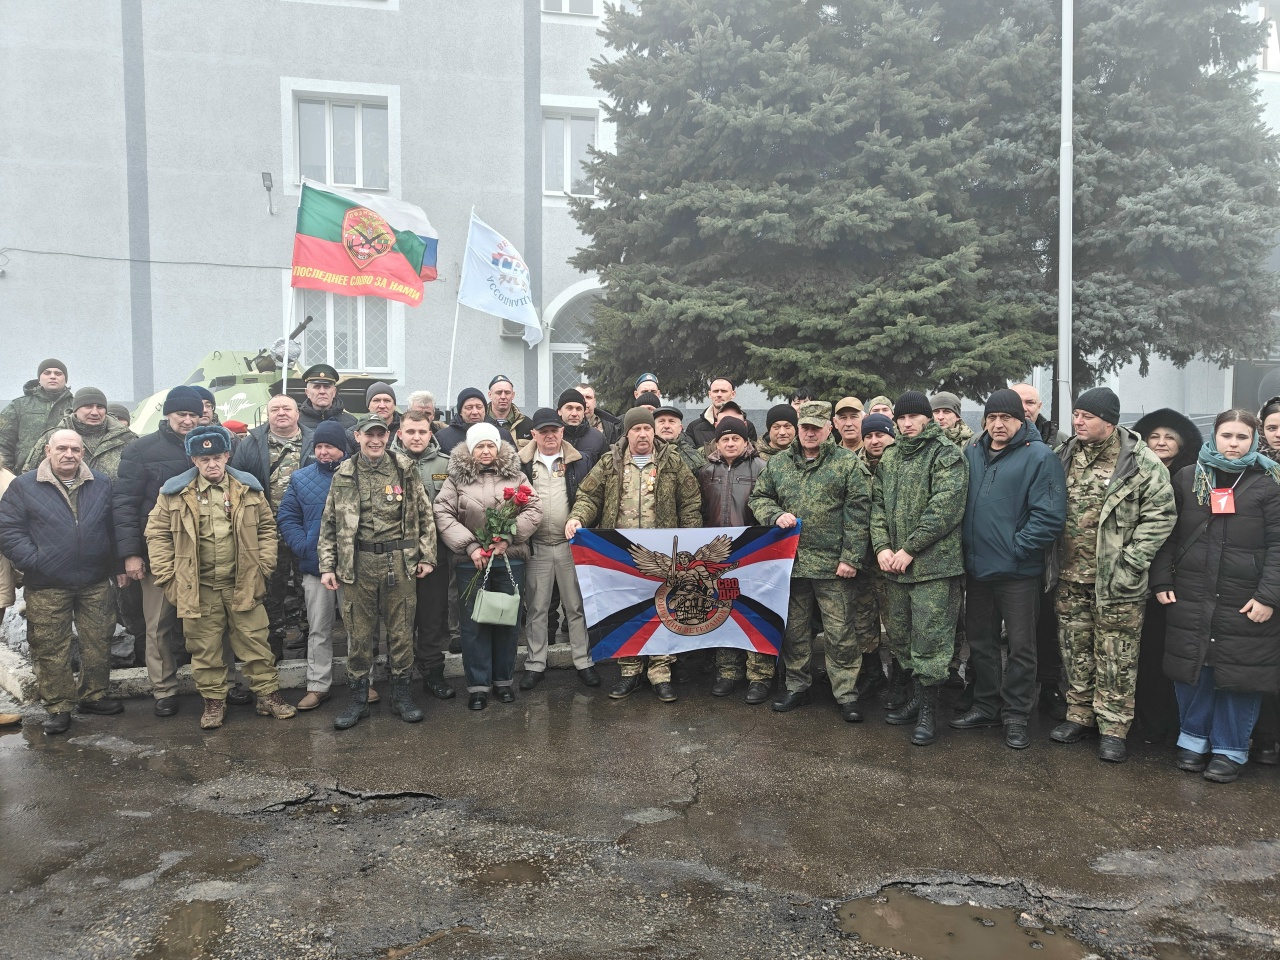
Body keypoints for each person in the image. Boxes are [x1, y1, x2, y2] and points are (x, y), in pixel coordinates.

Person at [1046, 387, 1176, 763]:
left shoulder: (1139, 460)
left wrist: (1132, 561)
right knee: (1075, 650)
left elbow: (1161, 515)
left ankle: (1114, 727)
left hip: (1117, 581)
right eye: (1077, 414)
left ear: (1109, 420)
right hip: (1070, 577)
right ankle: (1080, 714)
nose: (1078, 421)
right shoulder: (1065, 454)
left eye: (1087, 415)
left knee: (1117, 654)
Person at [1151, 409, 1280, 783]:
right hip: (1192, 591)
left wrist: (1269, 596)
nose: (1233, 444)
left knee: (1238, 675)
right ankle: (1193, 740)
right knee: (1193, 669)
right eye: (1227, 436)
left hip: (1245, 597)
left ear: (1254, 440)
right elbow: (1167, 534)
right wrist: (1161, 580)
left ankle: (1230, 748)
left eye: (1242, 437)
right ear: (1214, 436)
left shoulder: (1269, 482)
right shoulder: (1190, 478)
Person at [145, 425, 296, 730]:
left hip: (243, 583)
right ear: (194, 461)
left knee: (256, 642)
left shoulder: (248, 489)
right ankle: (214, 702)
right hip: (198, 587)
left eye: (216, 457)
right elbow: (156, 535)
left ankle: (268, 696)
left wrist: (263, 566)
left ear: (227, 455)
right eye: (204, 459)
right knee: (205, 648)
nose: (211, 464)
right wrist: (167, 577)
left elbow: (268, 529)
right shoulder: (174, 494)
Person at [117, 386, 249, 716]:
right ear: (168, 415)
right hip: (160, 553)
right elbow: (125, 505)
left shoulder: (219, 444)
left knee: (217, 621)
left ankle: (227, 683)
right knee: (158, 624)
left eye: (194, 414)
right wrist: (131, 554)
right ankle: (163, 689)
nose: (188, 420)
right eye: (181, 414)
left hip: (210, 553)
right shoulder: (140, 450)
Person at [565, 406, 703, 702]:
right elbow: (589, 496)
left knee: (662, 611)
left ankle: (660, 673)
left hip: (663, 555)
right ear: (627, 433)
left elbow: (690, 503)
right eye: (637, 429)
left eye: (647, 429)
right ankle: (629, 671)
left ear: (653, 432)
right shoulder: (609, 463)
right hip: (622, 556)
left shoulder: (673, 463)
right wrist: (578, 517)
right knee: (626, 611)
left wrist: (690, 544)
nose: (643, 434)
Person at [954, 390, 1067, 749]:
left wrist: (1016, 549)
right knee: (981, 642)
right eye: (992, 418)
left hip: (1018, 572)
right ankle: (986, 704)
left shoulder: (1040, 457)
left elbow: (1049, 516)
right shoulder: (972, 451)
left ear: (1023, 420)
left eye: (1007, 418)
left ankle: (1017, 714)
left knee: (1020, 647)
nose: (998, 425)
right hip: (978, 570)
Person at [750, 401, 872, 718]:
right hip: (792, 566)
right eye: (805, 427)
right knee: (795, 632)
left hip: (834, 567)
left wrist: (851, 558)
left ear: (828, 429)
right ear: (798, 428)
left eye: (817, 427)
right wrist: (775, 515)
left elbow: (859, 515)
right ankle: (797, 687)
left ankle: (846, 694)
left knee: (840, 633)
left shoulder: (846, 464)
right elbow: (758, 497)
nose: (810, 433)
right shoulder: (778, 465)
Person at [0, 430, 122, 734]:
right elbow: (8, 529)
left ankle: (93, 695)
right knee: (49, 647)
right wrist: (33, 560)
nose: (69, 454)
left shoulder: (101, 482)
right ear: (47, 451)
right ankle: (58, 706)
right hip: (46, 583)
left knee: (98, 641)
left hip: (94, 579)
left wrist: (116, 563)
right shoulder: (24, 486)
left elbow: (114, 526)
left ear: (83, 452)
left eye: (76, 449)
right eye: (63, 448)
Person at [319, 415, 436, 729]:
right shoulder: (344, 473)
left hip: (398, 562)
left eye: (380, 435)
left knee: (401, 634)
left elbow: (425, 515)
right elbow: (330, 523)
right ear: (357, 437)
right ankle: (358, 700)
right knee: (357, 635)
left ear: (388, 437)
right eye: (368, 435)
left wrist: (427, 556)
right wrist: (327, 565)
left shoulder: (404, 469)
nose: (374, 440)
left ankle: (401, 696)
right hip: (358, 564)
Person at [871, 391, 969, 746]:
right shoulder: (892, 455)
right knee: (901, 637)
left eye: (914, 417)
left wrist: (909, 549)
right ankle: (915, 698)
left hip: (933, 567)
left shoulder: (946, 454)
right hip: (895, 568)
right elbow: (877, 504)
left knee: (932, 640)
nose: (907, 423)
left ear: (927, 418)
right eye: (902, 418)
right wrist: (882, 546)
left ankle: (929, 709)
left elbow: (945, 508)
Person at [435, 424, 541, 709]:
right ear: (470, 450)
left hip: (509, 559)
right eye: (479, 446)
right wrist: (470, 547)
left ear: (498, 448)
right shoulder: (456, 479)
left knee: (507, 621)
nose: (485, 451)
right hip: (473, 563)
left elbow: (534, 508)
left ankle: (503, 682)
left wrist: (507, 537)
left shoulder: (516, 476)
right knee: (474, 625)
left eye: (490, 446)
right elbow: (442, 512)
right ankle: (478, 685)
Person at [1131, 408, 1204, 744]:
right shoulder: (1132, 471)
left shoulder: (1194, 478)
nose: (1161, 443)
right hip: (1133, 573)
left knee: (1166, 648)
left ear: (1182, 443)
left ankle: (1168, 720)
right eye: (1154, 437)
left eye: (1169, 437)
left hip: (1173, 578)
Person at [230, 395, 316, 658]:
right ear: (267, 414)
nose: (281, 413)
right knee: (270, 592)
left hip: (305, 532)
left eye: (286, 408)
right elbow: (237, 482)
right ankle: (272, 646)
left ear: (297, 413)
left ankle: (310, 645)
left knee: (309, 591)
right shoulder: (251, 444)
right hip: (267, 533)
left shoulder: (313, 442)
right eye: (275, 409)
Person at [518, 408, 597, 688]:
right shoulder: (521, 464)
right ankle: (535, 663)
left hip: (569, 546)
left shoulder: (580, 461)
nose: (550, 435)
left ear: (562, 432)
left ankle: (583, 661)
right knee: (537, 608)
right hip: (537, 546)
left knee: (575, 606)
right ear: (534, 434)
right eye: (544, 431)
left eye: (555, 430)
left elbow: (588, 497)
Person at [277, 420, 350, 710]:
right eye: (319, 446)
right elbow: (287, 517)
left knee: (359, 628)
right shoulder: (300, 478)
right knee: (319, 629)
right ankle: (318, 685)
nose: (323, 452)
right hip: (315, 567)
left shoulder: (356, 475)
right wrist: (304, 544)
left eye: (329, 446)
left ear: (342, 449)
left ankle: (364, 682)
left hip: (352, 567)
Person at [696, 417, 770, 700]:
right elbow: (699, 510)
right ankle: (728, 672)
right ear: (717, 442)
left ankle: (759, 676)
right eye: (724, 439)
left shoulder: (761, 468)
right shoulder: (706, 471)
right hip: (718, 558)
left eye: (735, 439)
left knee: (753, 614)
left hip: (752, 555)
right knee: (724, 611)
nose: (730, 443)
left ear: (745, 441)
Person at [390, 409, 456, 700]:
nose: (416, 437)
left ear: (431, 434)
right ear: (400, 433)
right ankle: (400, 679)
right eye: (410, 432)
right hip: (394, 559)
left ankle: (432, 673)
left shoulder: (447, 464)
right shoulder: (386, 464)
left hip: (436, 559)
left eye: (422, 432)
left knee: (431, 620)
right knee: (398, 622)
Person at [1012, 382, 1069, 719]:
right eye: (1018, 402)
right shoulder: (991, 441)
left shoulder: (1060, 443)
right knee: (1016, 629)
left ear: (1040, 405)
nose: (1025, 408)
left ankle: (1049, 686)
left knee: (1047, 624)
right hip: (1010, 551)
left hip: (1046, 551)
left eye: (1030, 402)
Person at [853, 413, 895, 700]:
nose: (874, 440)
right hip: (861, 558)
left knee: (896, 621)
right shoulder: (853, 464)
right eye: (868, 435)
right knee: (863, 619)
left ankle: (901, 678)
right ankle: (873, 673)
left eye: (880, 434)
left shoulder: (900, 464)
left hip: (893, 559)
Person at [23, 386, 137, 478]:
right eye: (88, 406)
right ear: (75, 409)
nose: (95, 412)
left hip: (113, 504)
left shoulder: (127, 439)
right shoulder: (52, 438)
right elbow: (29, 475)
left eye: (100, 407)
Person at [1253, 396, 1280, 765]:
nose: (1279, 435)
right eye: (1273, 427)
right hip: (1264, 579)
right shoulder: (1252, 469)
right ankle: (1265, 738)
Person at [0, 358, 74, 472]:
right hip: (23, 476)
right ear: (39, 379)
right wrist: (7, 473)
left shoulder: (76, 406)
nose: (53, 376)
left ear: (65, 379)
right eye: (47, 373)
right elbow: (3, 442)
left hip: (65, 475)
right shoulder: (18, 405)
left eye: (58, 373)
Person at [435, 387, 514, 454]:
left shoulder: (502, 435)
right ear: (460, 412)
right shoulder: (443, 437)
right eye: (469, 407)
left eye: (479, 407)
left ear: (485, 410)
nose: (475, 412)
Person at [685, 378, 758, 447]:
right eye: (715, 391)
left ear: (733, 394)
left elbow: (751, 454)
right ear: (710, 394)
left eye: (723, 391)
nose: (719, 394)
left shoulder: (748, 426)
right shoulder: (694, 427)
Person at [297, 364, 357, 433]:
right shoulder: (296, 422)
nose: (322, 392)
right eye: (317, 387)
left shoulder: (351, 423)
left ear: (334, 391)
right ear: (307, 392)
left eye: (327, 387)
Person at [557, 388, 607, 466]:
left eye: (578, 409)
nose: (574, 413)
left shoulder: (598, 438)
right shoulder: (550, 436)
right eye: (569, 408)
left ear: (583, 413)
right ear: (559, 411)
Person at [653, 404, 707, 471]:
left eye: (671, 421)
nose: (666, 426)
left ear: (680, 428)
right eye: (661, 421)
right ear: (653, 427)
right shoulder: (645, 451)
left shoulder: (693, 456)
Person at [487, 375, 531, 444]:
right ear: (490, 395)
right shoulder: (480, 422)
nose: (503, 397)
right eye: (498, 392)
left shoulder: (526, 424)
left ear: (513, 395)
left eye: (507, 393)